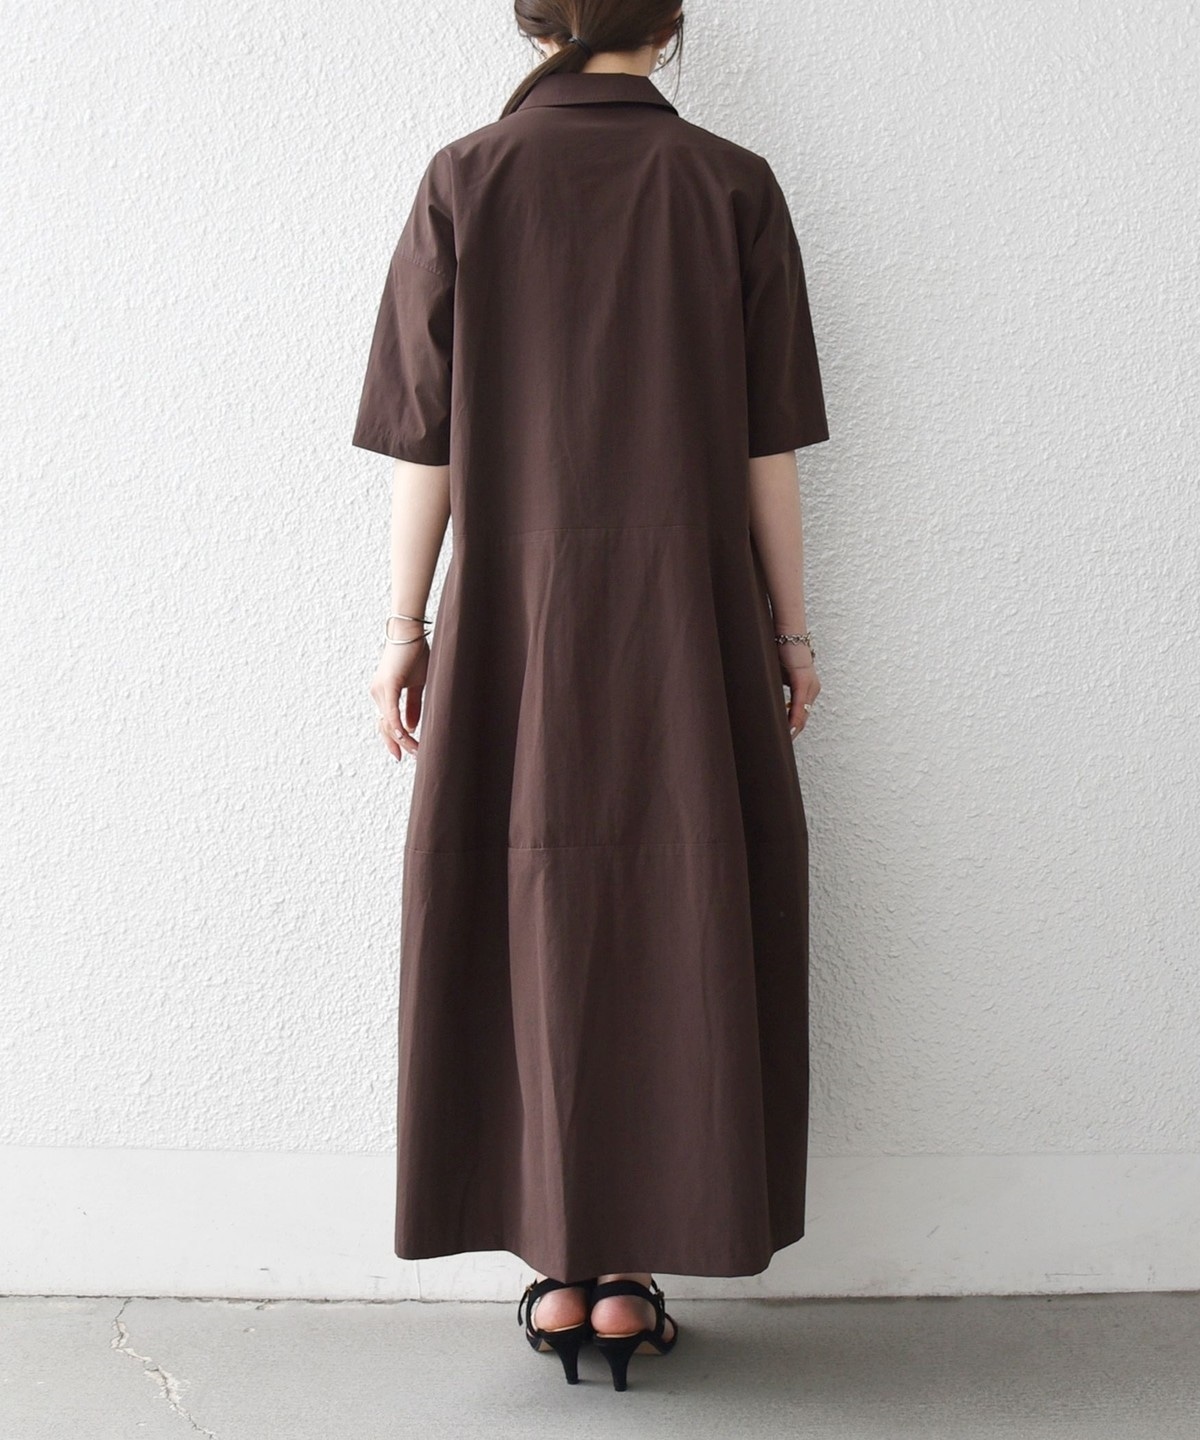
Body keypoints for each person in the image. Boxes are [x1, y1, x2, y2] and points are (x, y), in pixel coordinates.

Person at [352, 1, 828, 1393]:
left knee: (523, 904)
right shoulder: (731, 185)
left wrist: (405, 625)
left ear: (540, 22)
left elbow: (426, 442)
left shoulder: (466, 179)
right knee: (684, 906)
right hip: (690, 621)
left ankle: (563, 1267)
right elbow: (769, 447)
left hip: (516, 618)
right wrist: (793, 630)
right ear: (668, 25)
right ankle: (625, 1277)